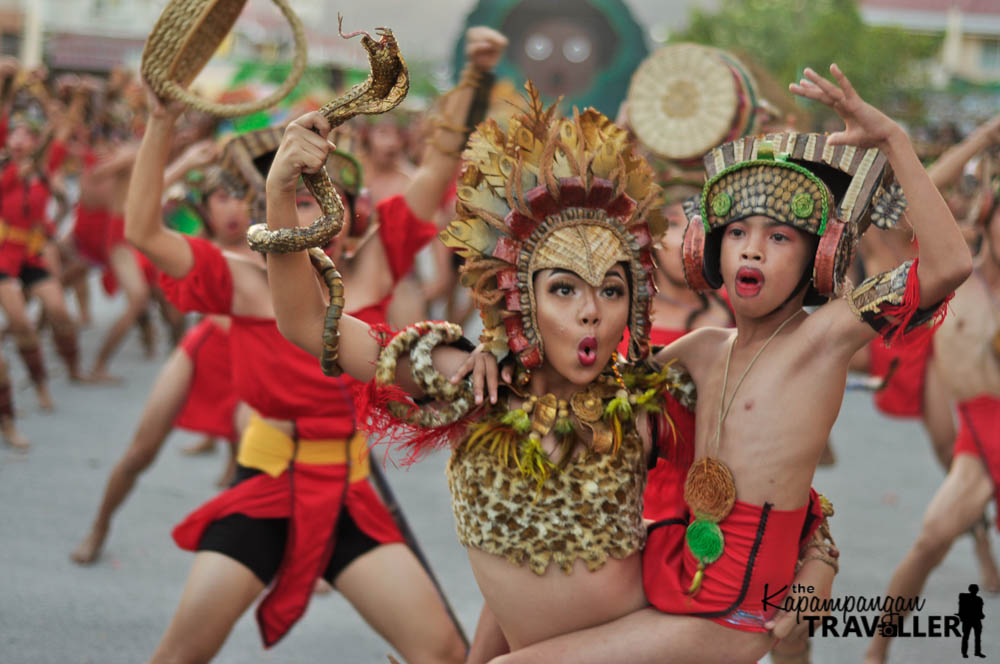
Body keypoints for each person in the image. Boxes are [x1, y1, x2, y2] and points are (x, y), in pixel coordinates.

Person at [262, 61, 841, 659]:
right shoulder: (475, 381)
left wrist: (818, 564)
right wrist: (280, 193)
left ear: (634, 304)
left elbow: (772, 484)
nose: (592, 312)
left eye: (612, 291)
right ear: (520, 299)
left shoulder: (647, 398)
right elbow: (307, 324)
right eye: (565, 289)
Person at [460, 64, 969, 663]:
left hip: (736, 616)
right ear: (710, 248)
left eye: (780, 238)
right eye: (738, 234)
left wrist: (894, 142)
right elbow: (585, 388)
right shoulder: (701, 352)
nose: (753, 247)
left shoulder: (823, 340)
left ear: (820, 260)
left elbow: (946, 267)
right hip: (671, 583)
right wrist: (499, 343)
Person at [121, 25, 506, 663]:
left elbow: (441, 162)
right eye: (293, 200)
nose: (308, 215)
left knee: (441, 653)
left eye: (320, 201)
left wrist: (477, 73)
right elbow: (140, 229)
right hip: (267, 479)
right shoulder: (246, 280)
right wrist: (161, 121)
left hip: (351, 487)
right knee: (178, 657)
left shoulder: (378, 265)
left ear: (352, 213)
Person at [71, 157, 247, 566]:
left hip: (251, 361)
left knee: (258, 469)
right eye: (222, 198)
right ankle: (99, 527)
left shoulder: (271, 244)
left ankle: (306, 561)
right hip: (201, 354)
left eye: (242, 199)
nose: (233, 208)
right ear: (206, 205)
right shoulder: (198, 244)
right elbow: (142, 212)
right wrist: (187, 161)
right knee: (139, 454)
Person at [864, 179, 1000, 664]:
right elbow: (917, 199)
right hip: (975, 432)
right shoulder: (953, 273)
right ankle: (876, 650)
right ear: (985, 216)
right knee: (931, 539)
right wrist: (982, 141)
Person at [0, 70, 88, 408]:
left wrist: (75, 98)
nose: (20, 139)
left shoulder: (43, 169)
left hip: (31, 254)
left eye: (27, 135)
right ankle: (38, 387)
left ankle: (73, 370)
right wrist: (10, 85)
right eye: (14, 133)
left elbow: (63, 129)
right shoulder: (4, 168)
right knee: (22, 323)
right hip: (3, 256)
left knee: (60, 314)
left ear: (37, 142)